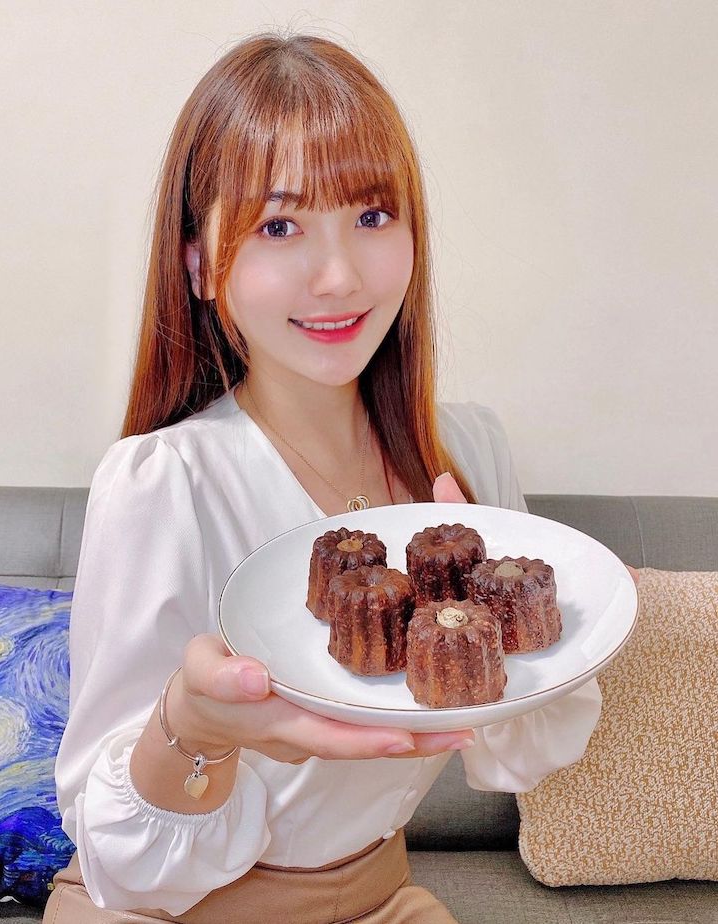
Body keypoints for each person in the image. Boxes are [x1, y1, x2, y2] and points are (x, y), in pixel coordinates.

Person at [43, 30, 607, 924]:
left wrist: (535, 630)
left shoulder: (467, 453)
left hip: (379, 898)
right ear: (199, 262)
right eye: (279, 226)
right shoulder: (163, 481)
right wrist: (194, 726)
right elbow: (125, 867)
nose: (339, 277)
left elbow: (521, 755)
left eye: (372, 216)